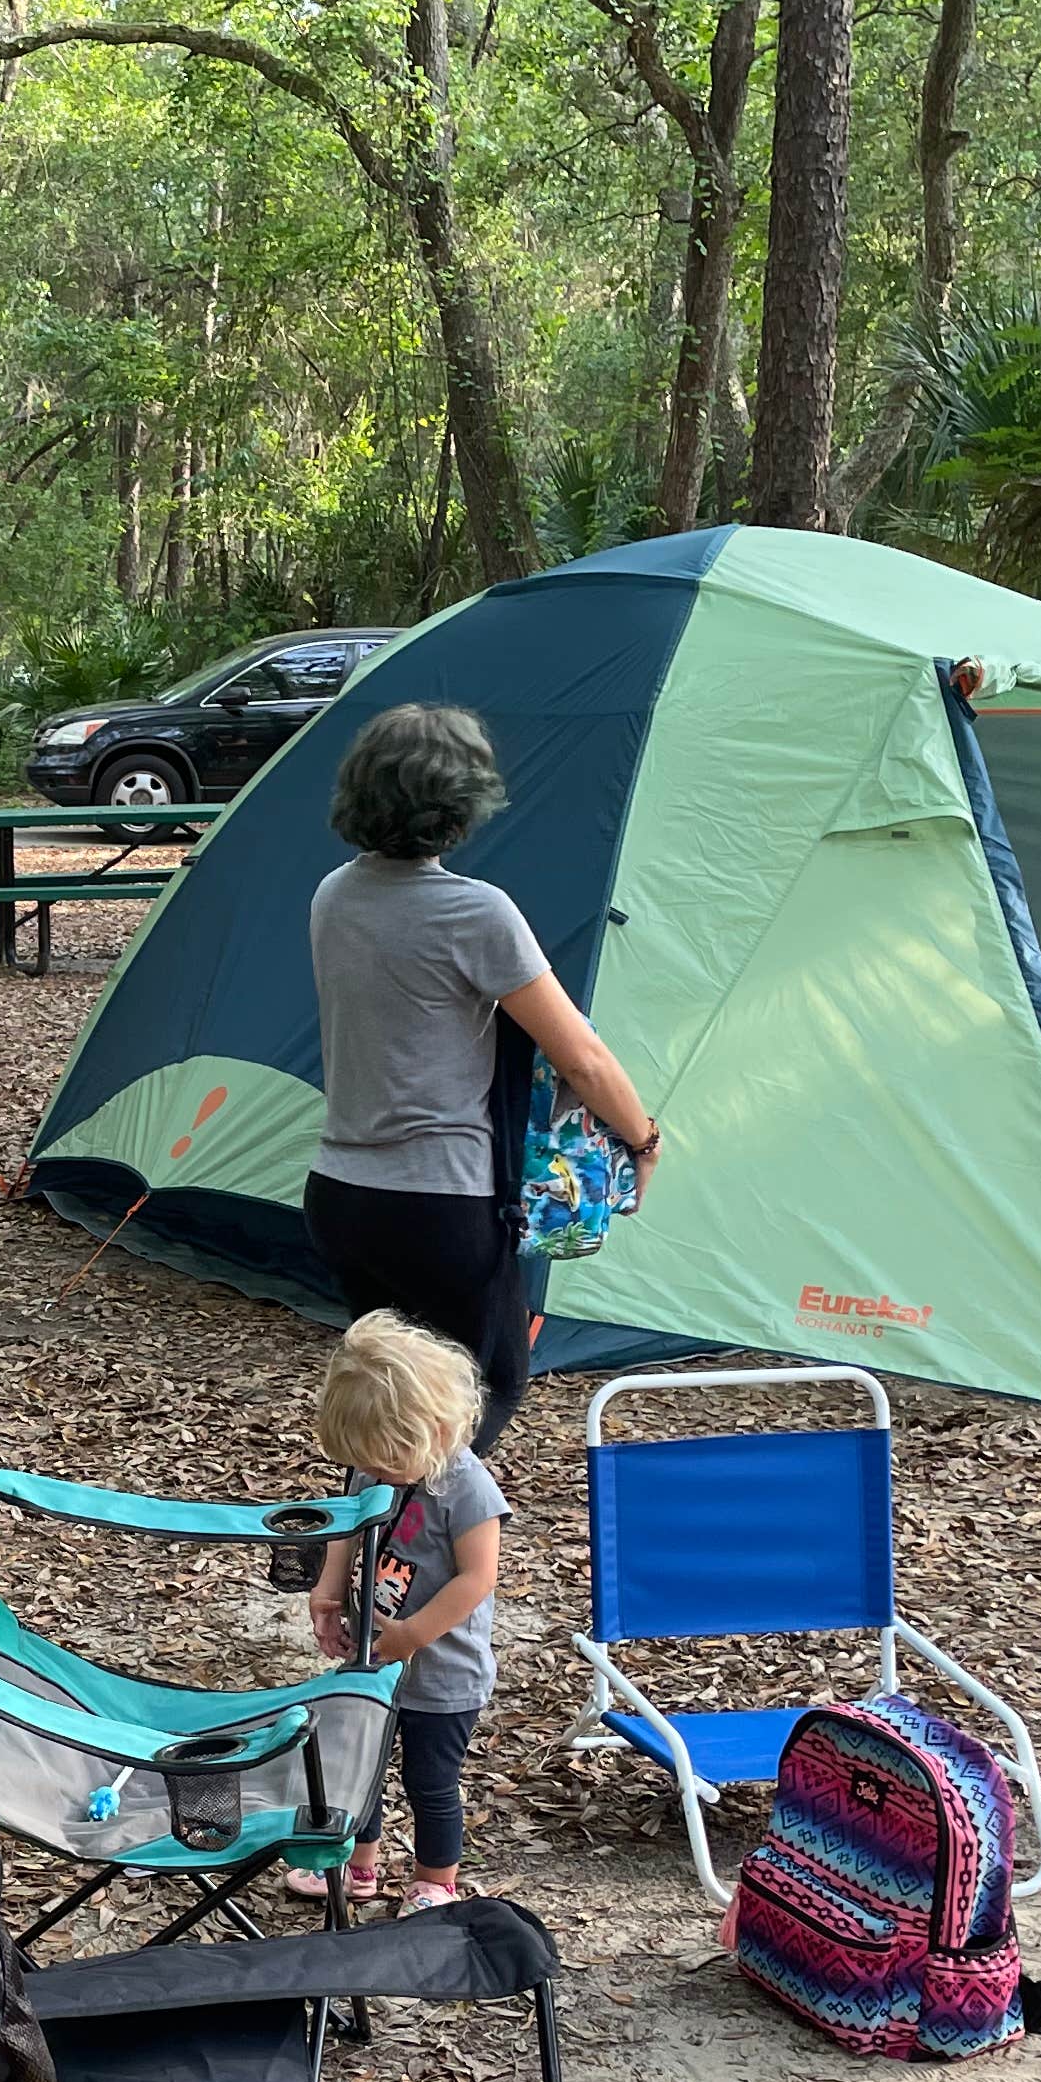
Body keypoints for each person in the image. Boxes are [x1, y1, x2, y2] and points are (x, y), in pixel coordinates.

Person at [305, 701, 663, 1453]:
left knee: (389, 1404)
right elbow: (582, 1058)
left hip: (340, 1196)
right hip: (440, 1203)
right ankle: (427, 1528)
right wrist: (644, 1140)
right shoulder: (476, 913)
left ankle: (369, 1524)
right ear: (462, 804)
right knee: (482, 1389)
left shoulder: (334, 894)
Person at [285, 1313, 509, 1912]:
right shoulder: (376, 1465)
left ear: (432, 1429)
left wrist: (413, 1634)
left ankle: (435, 1881)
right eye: (368, 1464)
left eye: (385, 1463)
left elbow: (478, 1577)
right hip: (373, 1657)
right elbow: (348, 1531)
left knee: (430, 1783)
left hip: (444, 1675)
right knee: (360, 1765)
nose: (375, 1475)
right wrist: (328, 1593)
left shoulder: (468, 1489)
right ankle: (359, 1866)